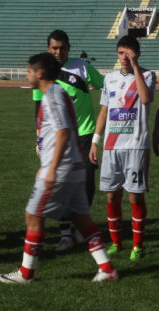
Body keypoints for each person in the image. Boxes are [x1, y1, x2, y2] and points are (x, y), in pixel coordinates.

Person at [0, 53, 118, 284]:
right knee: (82, 220)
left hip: (61, 170)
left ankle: (26, 274)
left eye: (29, 70)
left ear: (40, 73)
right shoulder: (58, 93)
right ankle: (107, 269)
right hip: (73, 167)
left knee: (33, 216)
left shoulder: (52, 94)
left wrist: (51, 168)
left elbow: (62, 132)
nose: (27, 74)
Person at [32, 30, 104, 252]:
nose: (58, 52)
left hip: (85, 135)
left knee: (87, 183)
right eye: (54, 48)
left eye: (62, 48)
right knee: (62, 184)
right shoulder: (42, 72)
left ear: (69, 48)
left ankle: (81, 226)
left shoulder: (82, 67)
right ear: (48, 48)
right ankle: (66, 234)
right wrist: (39, 138)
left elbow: (106, 87)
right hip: (57, 138)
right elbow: (38, 109)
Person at [89, 35, 156, 261]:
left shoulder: (147, 75)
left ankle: (138, 246)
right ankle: (116, 243)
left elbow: (146, 99)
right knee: (111, 196)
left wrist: (135, 66)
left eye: (128, 53)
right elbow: (104, 112)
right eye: (120, 53)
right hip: (111, 146)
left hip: (136, 146)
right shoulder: (109, 80)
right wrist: (95, 142)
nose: (124, 57)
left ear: (137, 53)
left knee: (135, 198)